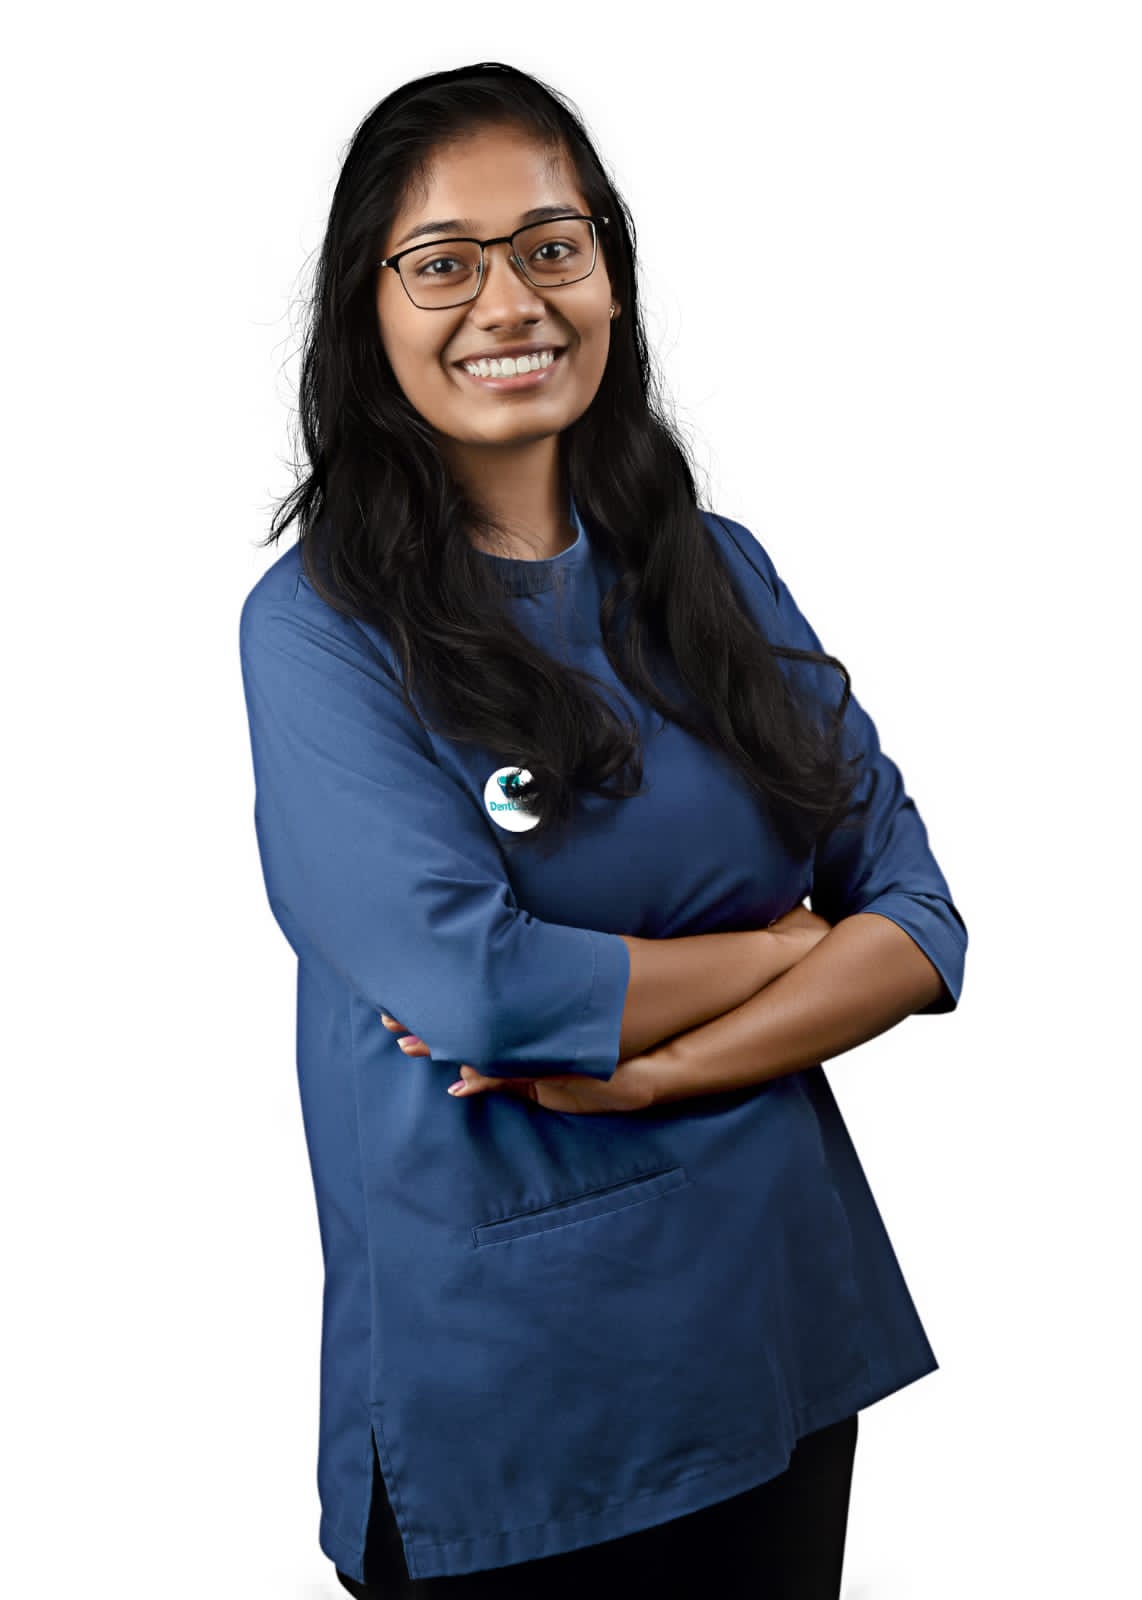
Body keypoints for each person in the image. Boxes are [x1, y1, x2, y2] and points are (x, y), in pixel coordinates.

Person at [237, 60, 968, 1599]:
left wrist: (652, 1066)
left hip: (772, 1329)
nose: (510, 301)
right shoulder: (321, 627)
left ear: (612, 279)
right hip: (518, 1393)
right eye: (444, 263)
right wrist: (782, 951)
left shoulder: (716, 570)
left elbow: (914, 924)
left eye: (552, 247)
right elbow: (478, 990)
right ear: (367, 313)